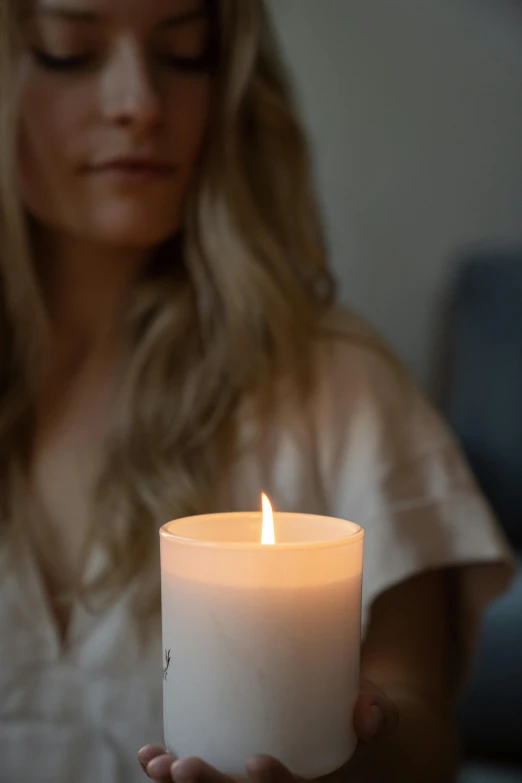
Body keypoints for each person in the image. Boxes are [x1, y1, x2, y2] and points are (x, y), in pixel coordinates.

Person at [0, 0, 514, 781]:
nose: (139, 101)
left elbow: (421, 725)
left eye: (186, 53)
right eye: (70, 52)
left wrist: (353, 762)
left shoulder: (335, 381)